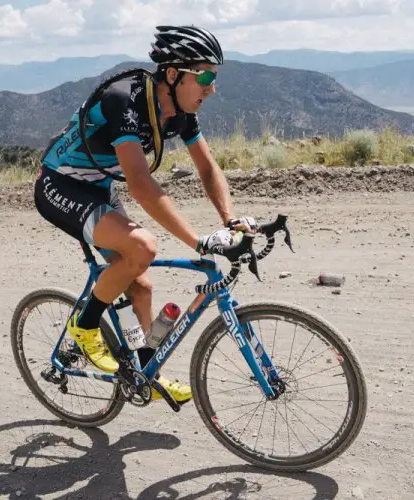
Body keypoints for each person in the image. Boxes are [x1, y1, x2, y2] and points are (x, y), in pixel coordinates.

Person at [33, 25, 255, 404]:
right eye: (203, 76)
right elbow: (140, 184)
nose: (210, 88)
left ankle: (144, 374)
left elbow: (207, 168)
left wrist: (229, 219)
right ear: (173, 74)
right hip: (60, 185)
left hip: (98, 188)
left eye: (213, 77)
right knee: (143, 247)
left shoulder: (180, 112)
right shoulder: (127, 100)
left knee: (142, 286)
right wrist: (199, 241)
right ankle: (84, 325)